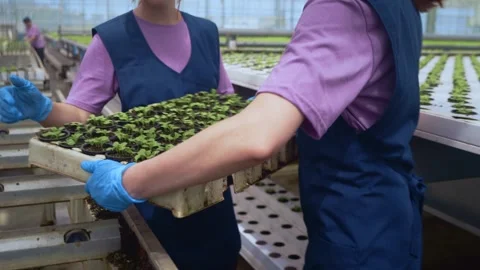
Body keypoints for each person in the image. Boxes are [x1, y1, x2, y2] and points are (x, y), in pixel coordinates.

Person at [79, 0, 442, 269]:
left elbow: (256, 138)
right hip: (392, 220)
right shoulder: (400, 6)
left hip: (357, 233)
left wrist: (131, 179)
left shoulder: (344, 6)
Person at [0, 1, 241, 269]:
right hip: (151, 198)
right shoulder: (112, 38)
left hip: (213, 197)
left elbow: (225, 103)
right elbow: (81, 113)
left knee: (219, 257)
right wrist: (44, 109)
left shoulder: (206, 32)